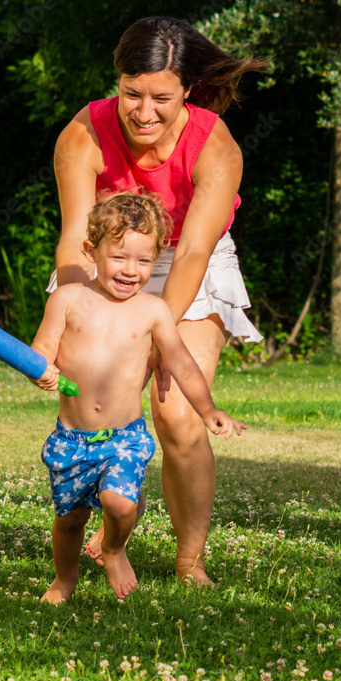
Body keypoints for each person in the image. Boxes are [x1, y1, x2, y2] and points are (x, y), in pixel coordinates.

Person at [50, 15, 266, 586]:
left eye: (162, 98)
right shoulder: (83, 135)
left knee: (176, 413)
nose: (144, 112)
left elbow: (194, 249)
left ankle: (189, 560)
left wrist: (153, 334)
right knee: (103, 400)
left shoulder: (215, 148)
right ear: (116, 81)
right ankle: (110, 531)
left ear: (187, 90)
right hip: (108, 256)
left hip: (186, 259)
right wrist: (77, 314)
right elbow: (76, 237)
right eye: (131, 94)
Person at [31, 191, 245, 603]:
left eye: (144, 261)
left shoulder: (153, 311)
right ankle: (64, 580)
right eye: (120, 258)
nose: (132, 271)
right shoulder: (68, 300)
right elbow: (42, 348)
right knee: (70, 519)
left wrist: (208, 409)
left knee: (120, 504)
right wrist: (40, 367)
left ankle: (113, 549)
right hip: (71, 439)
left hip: (123, 438)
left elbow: (182, 363)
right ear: (92, 251)